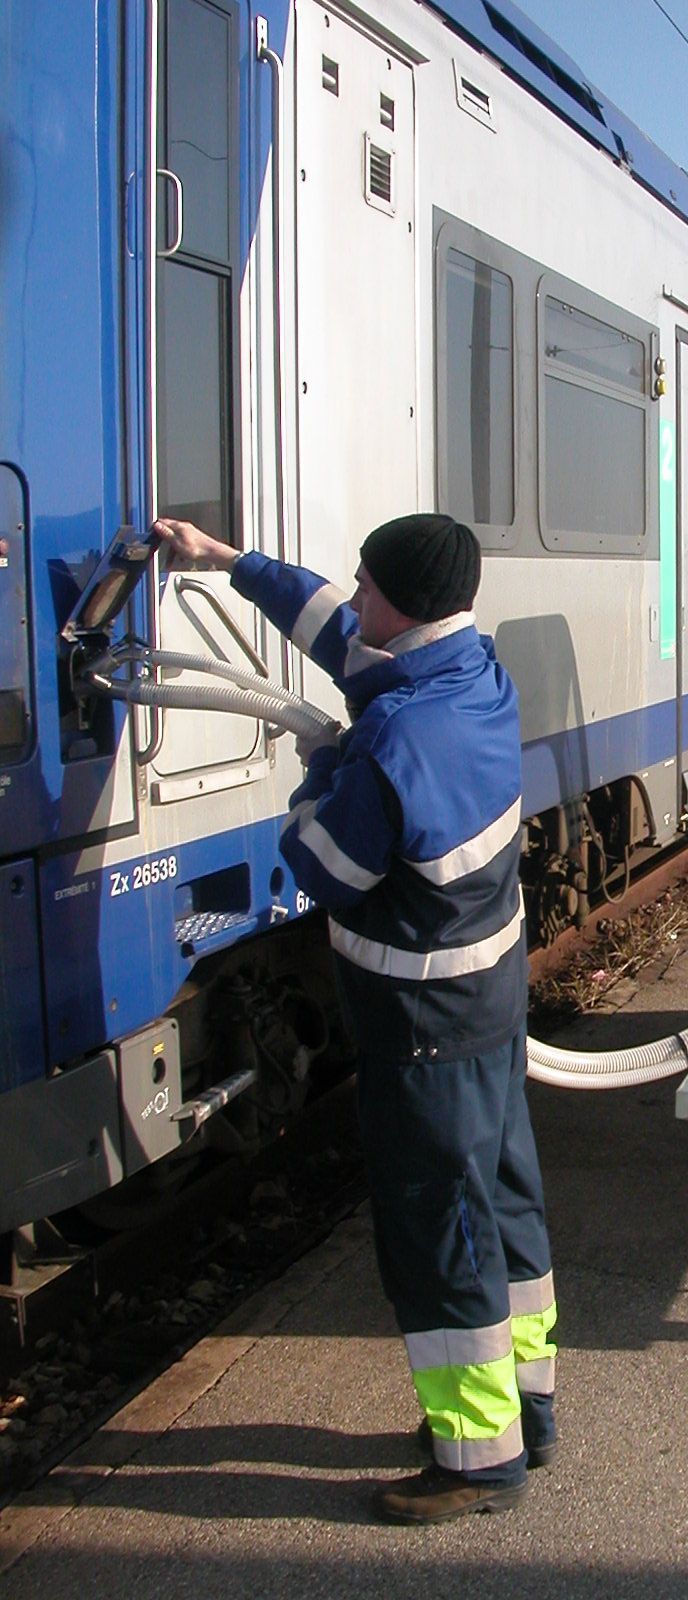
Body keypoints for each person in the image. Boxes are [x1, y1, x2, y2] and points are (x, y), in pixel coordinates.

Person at [153, 513, 557, 1526]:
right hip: (487, 1001)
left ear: (402, 604)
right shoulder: (471, 672)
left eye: (366, 582)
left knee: (439, 1226)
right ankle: (528, 1413)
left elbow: (325, 867)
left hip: (421, 1020)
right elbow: (341, 633)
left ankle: (475, 1460)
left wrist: (321, 773)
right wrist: (231, 562)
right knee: (501, 1198)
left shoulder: (394, 740)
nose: (355, 595)